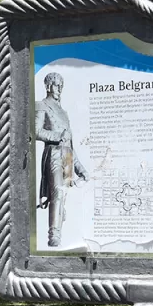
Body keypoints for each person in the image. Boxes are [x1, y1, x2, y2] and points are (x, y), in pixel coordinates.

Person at [35, 72, 88, 247]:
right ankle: (53, 235)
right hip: (54, 153)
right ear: (49, 86)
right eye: (57, 85)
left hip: (67, 155)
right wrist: (58, 135)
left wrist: (80, 168)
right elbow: (36, 132)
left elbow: (71, 144)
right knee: (56, 192)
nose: (59, 89)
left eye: (61, 86)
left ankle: (59, 232)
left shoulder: (64, 113)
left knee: (63, 195)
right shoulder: (41, 105)